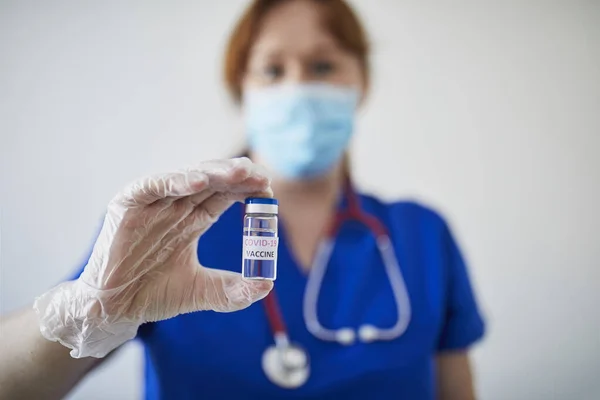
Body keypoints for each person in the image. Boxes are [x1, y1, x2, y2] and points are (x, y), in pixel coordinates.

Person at [0, 0, 486, 399]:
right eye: (272, 70)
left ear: (361, 83)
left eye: (323, 65)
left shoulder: (422, 236)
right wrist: (86, 312)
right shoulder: (167, 226)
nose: (298, 86)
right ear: (242, 92)